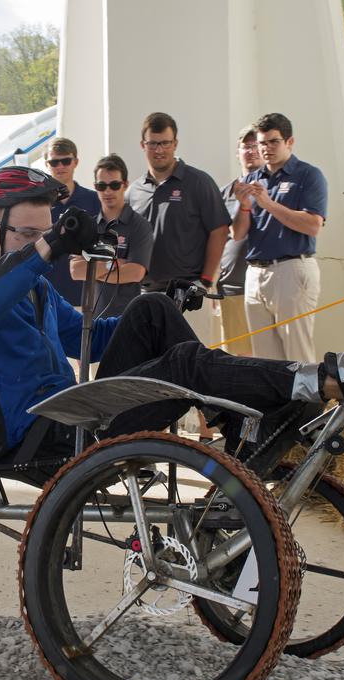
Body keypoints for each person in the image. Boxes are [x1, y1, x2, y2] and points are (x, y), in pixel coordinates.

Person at [0, 166, 344, 469]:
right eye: (27, 235)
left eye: (43, 234)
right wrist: (50, 247)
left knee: (150, 308)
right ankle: (337, 378)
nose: (38, 245)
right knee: (183, 369)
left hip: (77, 416)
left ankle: (237, 428)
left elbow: (96, 338)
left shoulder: (37, 290)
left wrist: (169, 299)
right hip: (47, 437)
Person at [127, 112, 232, 439]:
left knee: (198, 368)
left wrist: (205, 280)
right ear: (143, 145)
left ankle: (209, 440)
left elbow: (219, 230)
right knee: (150, 374)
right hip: (148, 296)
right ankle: (151, 443)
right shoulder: (133, 191)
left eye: (166, 143)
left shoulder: (197, 182)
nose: (160, 150)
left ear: (176, 143)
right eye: (154, 144)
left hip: (190, 292)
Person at [231, 113, 328, 363]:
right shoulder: (252, 178)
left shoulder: (308, 175)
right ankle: (277, 404)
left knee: (297, 353)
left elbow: (313, 225)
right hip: (255, 272)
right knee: (265, 359)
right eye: (262, 143)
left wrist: (268, 203)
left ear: (290, 142)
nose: (266, 149)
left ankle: (308, 402)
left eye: (273, 142)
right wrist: (243, 205)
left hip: (291, 268)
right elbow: (237, 234)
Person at [65, 153, 153, 318]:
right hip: (92, 322)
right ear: (95, 186)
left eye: (114, 185)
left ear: (125, 184)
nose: (107, 191)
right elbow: (75, 271)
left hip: (127, 320)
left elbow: (135, 273)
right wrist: (111, 265)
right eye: (101, 186)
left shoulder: (140, 226)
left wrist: (92, 267)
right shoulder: (88, 227)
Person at [216, 125, 266, 357]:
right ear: (238, 151)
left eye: (256, 145)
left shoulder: (275, 188)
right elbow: (216, 239)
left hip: (268, 288)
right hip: (232, 288)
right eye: (246, 146)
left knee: (272, 357)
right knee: (237, 359)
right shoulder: (224, 193)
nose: (252, 150)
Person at [42, 137, 101, 306]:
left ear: (75, 162)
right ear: (46, 165)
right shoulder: (38, 204)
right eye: (54, 162)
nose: (60, 167)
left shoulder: (94, 200)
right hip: (48, 297)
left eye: (66, 161)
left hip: (87, 296)